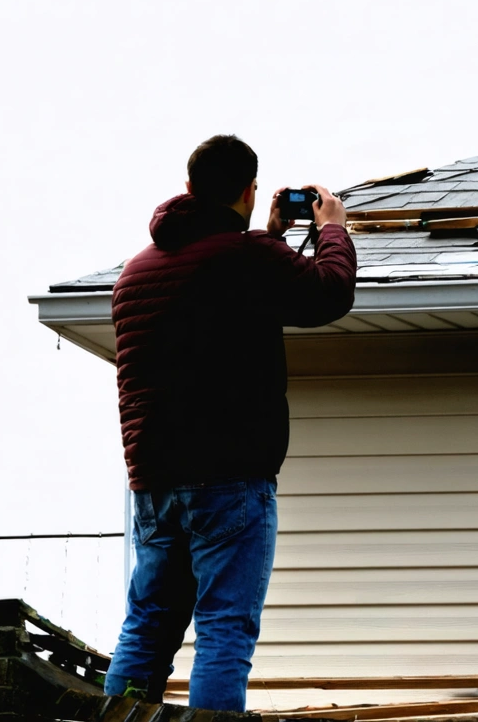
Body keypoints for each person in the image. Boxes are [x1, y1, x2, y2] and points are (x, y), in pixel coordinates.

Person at [103, 134, 357, 711]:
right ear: (249, 188)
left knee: (147, 626)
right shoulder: (244, 259)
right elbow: (328, 292)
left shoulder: (136, 271)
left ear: (190, 188)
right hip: (230, 478)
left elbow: (221, 293)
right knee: (224, 628)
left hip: (154, 480)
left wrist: (269, 239)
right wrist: (334, 229)